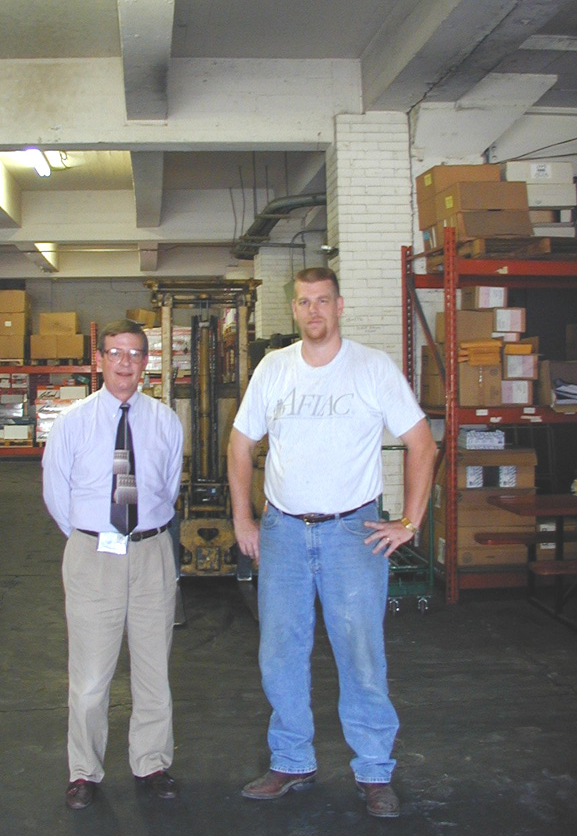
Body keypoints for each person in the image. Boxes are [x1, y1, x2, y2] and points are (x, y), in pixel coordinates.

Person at [227, 267, 437, 818]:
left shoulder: (372, 368)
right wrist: (244, 521)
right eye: (303, 302)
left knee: (361, 655)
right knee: (280, 653)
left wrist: (410, 523)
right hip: (283, 534)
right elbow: (240, 442)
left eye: (322, 301)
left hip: (352, 533)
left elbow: (423, 444)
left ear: (339, 306)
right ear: (293, 309)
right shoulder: (274, 369)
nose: (313, 311)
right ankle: (291, 760)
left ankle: (373, 770)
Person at [42, 319, 184, 810]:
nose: (125, 362)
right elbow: (57, 495)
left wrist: (141, 534)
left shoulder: (166, 421)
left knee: (153, 669)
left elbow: (167, 485)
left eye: (135, 354)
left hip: (152, 555)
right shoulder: (73, 423)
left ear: (147, 362)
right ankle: (84, 772)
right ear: (99, 360)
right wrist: (95, 537)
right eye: (115, 353)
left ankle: (152, 763)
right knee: (89, 676)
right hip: (93, 556)